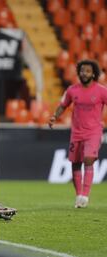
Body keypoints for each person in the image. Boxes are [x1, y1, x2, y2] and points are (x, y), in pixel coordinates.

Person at [49, 59, 107, 208]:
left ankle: (85, 196)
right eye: (82, 70)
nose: (84, 73)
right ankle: (78, 195)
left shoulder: (101, 90)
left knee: (89, 159)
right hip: (76, 133)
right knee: (75, 164)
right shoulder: (72, 90)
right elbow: (63, 105)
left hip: (93, 132)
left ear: (93, 73)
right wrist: (55, 116)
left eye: (87, 71)